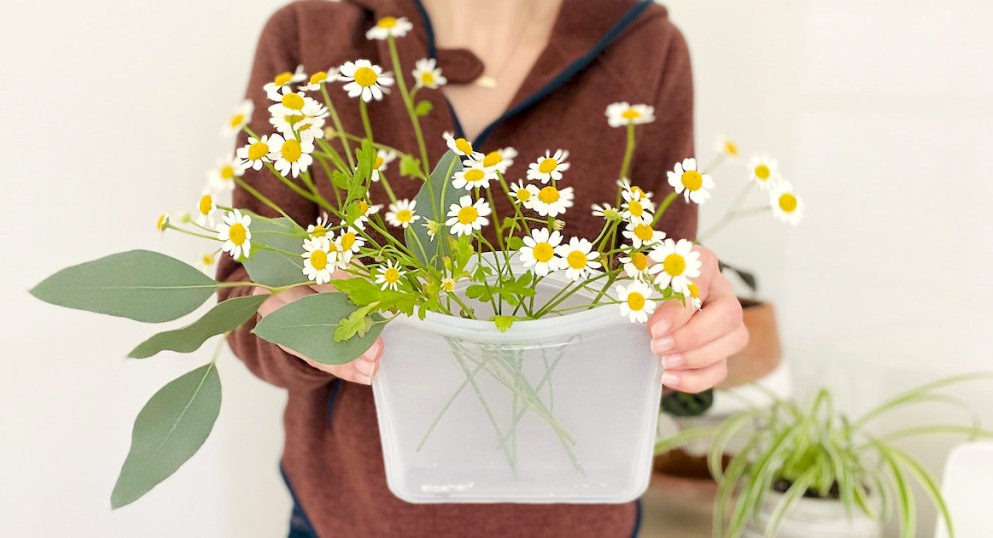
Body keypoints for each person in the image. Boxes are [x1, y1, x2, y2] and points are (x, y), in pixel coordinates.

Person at [217, 0, 748, 536]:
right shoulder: (310, 39)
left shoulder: (646, 51)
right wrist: (294, 324)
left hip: (576, 517)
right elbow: (244, 291)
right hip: (350, 515)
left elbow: (661, 302)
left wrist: (691, 333)